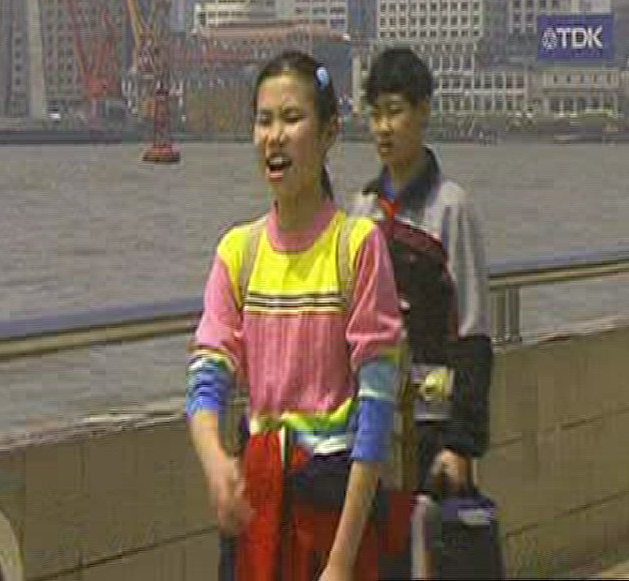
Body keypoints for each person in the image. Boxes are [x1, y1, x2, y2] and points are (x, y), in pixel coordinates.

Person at [187, 51, 406, 581]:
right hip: (259, 510)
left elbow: (376, 412)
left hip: (332, 511)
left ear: (328, 132)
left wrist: (340, 561)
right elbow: (208, 375)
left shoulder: (357, 246)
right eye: (264, 121)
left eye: (291, 118)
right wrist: (216, 461)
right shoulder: (238, 252)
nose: (274, 137)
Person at [349, 46, 493, 579]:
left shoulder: (450, 207)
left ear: (424, 111)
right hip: (374, 426)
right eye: (375, 114)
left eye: (395, 112)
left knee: (435, 561)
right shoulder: (362, 210)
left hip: (434, 427)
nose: (383, 128)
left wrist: (462, 443)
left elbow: (473, 330)